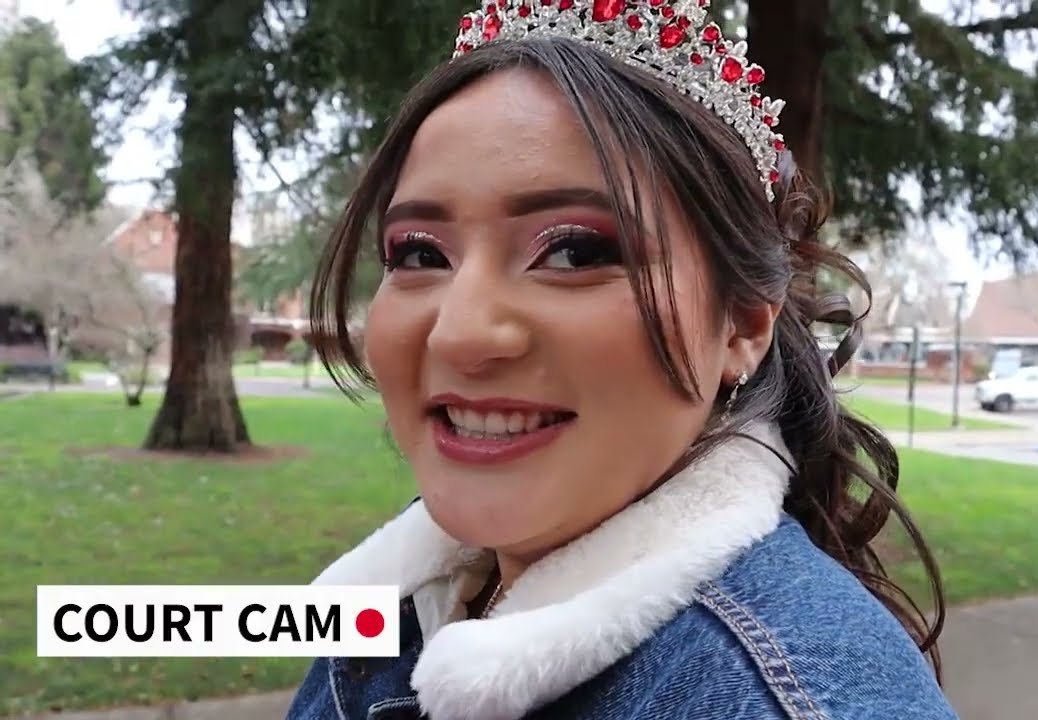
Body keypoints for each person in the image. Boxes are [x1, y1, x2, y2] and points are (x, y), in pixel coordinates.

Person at [286, 1, 956, 718]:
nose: (459, 335)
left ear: (742, 325)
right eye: (419, 253)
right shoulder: (411, 601)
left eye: (575, 251)